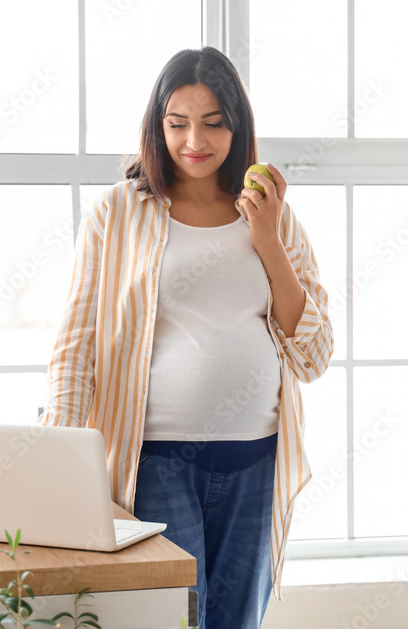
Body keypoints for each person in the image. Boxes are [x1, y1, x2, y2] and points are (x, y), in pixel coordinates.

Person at [38, 46, 333, 628]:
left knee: (236, 621)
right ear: (158, 126)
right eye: (177, 124)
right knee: (173, 619)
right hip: (155, 461)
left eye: (213, 123)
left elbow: (314, 355)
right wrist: (61, 466)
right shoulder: (118, 213)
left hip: (257, 457)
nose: (194, 139)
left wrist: (268, 236)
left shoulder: (272, 213)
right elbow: (76, 346)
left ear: (237, 128)